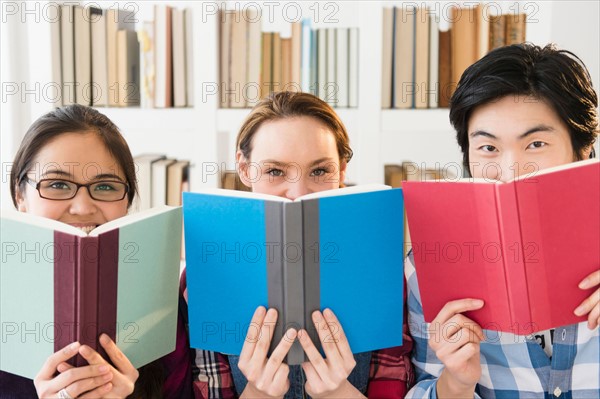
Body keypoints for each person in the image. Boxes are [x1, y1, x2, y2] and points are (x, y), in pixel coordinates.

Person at [183, 91, 414, 398]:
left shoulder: (384, 273)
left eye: (319, 171)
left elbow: (393, 384)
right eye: (274, 171)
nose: (297, 193)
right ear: (244, 168)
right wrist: (259, 393)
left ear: (342, 170)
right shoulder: (202, 278)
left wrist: (338, 393)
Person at [406, 43, 599, 398]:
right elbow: (425, 385)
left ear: (582, 147)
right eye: (489, 148)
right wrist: (455, 384)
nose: (510, 170)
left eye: (536, 144)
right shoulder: (429, 267)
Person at [2, 104, 193, 399]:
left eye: (105, 186)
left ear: (127, 201)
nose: (82, 207)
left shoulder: (163, 308)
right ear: (20, 195)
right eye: (57, 184)